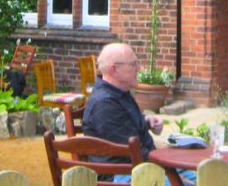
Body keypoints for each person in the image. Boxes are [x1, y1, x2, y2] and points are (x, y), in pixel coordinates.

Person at [83, 43, 196, 184]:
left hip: (141, 165)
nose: (139, 68)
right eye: (133, 64)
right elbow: (135, 152)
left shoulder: (119, 94)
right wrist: (172, 176)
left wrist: (146, 121)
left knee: (204, 179)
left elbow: (124, 127)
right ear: (114, 69)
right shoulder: (104, 104)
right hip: (121, 174)